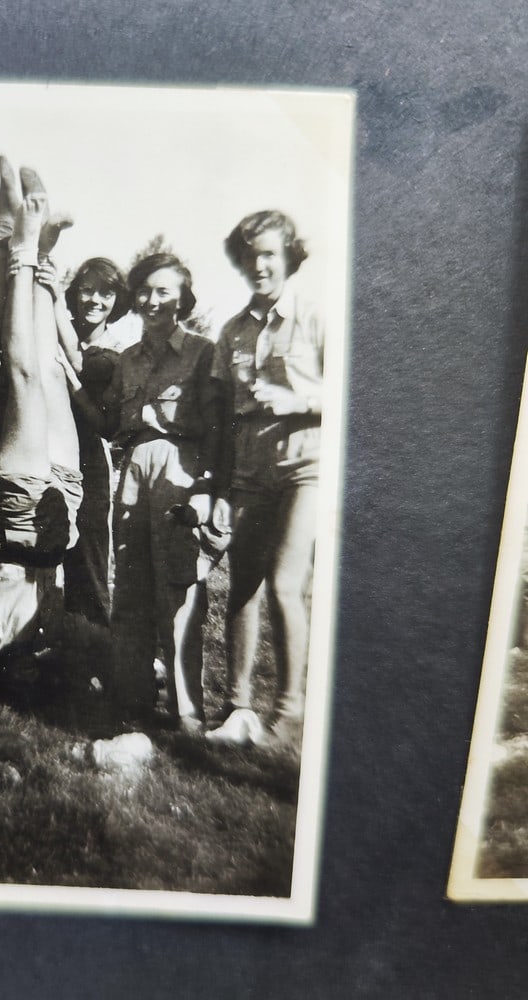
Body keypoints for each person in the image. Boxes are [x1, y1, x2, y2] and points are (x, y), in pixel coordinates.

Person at [0, 159, 81, 722]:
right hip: (64, 502)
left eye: (23, 674)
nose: (30, 669)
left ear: (15, 668)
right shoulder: (51, 630)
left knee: (24, 374)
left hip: (19, 506)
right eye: (37, 674)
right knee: (50, 371)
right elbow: (101, 644)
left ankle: (25, 246)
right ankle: (44, 258)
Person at [207, 210, 323, 748]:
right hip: (248, 473)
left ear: (288, 257)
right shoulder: (231, 330)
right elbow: (221, 418)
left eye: (270, 254)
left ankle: (290, 714)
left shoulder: (317, 318)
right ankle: (238, 709)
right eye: (251, 256)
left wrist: (299, 400)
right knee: (243, 587)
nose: (260, 265)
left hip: (306, 469)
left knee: (283, 584)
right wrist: (219, 487)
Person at [102, 253, 225, 735]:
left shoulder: (202, 352)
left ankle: (186, 710)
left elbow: (216, 426)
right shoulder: (127, 359)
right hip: (134, 467)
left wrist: (208, 486)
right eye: (146, 291)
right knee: (129, 585)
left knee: (179, 588)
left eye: (164, 292)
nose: (153, 301)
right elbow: (111, 417)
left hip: (182, 465)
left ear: (182, 299)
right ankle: (131, 700)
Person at [48, 257, 133, 627]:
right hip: (47, 450)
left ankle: (94, 640)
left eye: (106, 292)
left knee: (89, 553)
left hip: (87, 461)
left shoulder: (116, 352)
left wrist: (51, 296)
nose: (95, 299)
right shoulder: (53, 328)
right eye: (87, 289)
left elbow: (79, 363)